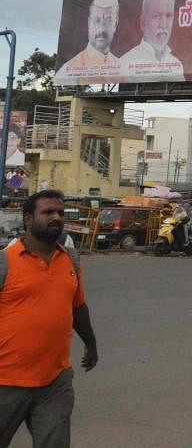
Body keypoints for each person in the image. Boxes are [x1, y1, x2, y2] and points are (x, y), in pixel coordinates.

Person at [0, 190, 98, 447]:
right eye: (48, 212)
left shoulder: (71, 260)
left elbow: (78, 309)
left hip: (55, 382)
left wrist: (91, 344)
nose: (56, 217)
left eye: (60, 213)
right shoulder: (4, 262)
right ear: (28, 219)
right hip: (6, 381)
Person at [119, 0, 185, 82]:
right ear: (143, 22)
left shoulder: (176, 63)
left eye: (168, 16)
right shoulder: (125, 63)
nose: (163, 24)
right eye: (156, 16)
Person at [59, 0, 121, 84]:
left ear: (115, 25)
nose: (101, 29)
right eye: (97, 20)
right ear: (89, 23)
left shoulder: (120, 65)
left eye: (108, 20)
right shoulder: (69, 69)